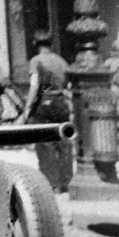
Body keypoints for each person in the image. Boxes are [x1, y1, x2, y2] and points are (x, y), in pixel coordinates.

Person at [20, 30, 73, 194]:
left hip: (43, 103)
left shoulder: (35, 61)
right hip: (60, 102)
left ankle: (52, 183)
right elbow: (67, 83)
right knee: (63, 142)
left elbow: (35, 86)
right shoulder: (61, 61)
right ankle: (66, 181)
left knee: (45, 144)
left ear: (36, 44)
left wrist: (27, 108)